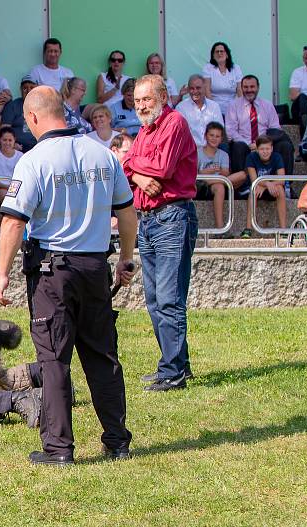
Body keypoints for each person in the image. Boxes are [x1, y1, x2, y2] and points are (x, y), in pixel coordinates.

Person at [0, 85, 138, 466]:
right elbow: (126, 212)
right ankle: (117, 441)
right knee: (103, 356)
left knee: (54, 360)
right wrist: (125, 258)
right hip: (95, 268)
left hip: (51, 272)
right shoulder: (103, 155)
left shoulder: (34, 160)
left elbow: (13, 222)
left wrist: (2, 274)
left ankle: (58, 449)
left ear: (34, 117)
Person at [122, 74, 198, 392]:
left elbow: (163, 168)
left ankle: (173, 371)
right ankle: (176, 363)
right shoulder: (145, 130)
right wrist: (138, 175)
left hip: (172, 216)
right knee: (154, 299)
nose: (140, 106)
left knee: (168, 298)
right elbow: (125, 164)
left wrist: (131, 163)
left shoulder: (174, 122)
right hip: (148, 219)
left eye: (146, 99)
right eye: (137, 101)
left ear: (163, 97)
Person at [226, 75, 295, 179]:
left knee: (285, 146)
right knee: (238, 147)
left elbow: (275, 129)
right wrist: (249, 144)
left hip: (265, 144)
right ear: (241, 88)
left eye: (252, 87)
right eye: (245, 87)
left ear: (258, 87)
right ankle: (242, 187)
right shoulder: (234, 106)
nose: (249, 90)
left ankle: (286, 184)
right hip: (245, 144)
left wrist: (262, 144)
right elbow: (230, 131)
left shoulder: (267, 105)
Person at [242, 135, 287, 237]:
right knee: (253, 190)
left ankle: (283, 229)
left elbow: (282, 179)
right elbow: (254, 179)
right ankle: (248, 228)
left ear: (272, 149)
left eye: (267, 148)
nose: (265, 151)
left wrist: (265, 185)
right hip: (258, 188)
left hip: (272, 188)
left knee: (280, 189)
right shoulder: (251, 157)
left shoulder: (277, 157)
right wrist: (266, 183)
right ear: (257, 149)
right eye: (262, 149)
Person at [195, 122, 232, 230]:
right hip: (200, 186)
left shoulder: (223, 154)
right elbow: (192, 175)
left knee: (220, 185)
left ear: (221, 139)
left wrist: (217, 171)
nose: (214, 139)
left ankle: (220, 228)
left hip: (216, 184)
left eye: (217, 136)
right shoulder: (197, 153)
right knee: (223, 182)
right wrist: (206, 172)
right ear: (205, 136)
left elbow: (225, 172)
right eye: (211, 135)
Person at [175, 74, 222, 147]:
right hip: (190, 151)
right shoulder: (181, 108)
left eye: (198, 88)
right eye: (191, 88)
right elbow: (179, 134)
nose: (195, 91)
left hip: (211, 149)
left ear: (204, 87)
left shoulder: (214, 106)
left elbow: (219, 130)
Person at [202, 42, 243, 115]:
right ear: (213, 55)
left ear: (227, 54)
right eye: (217, 52)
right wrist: (213, 109)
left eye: (222, 51)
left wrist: (241, 107)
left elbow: (239, 90)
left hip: (232, 107)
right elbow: (206, 90)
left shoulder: (236, 68)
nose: (219, 53)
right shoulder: (208, 68)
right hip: (214, 108)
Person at [0, 126, 23, 210]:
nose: (7, 143)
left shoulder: (20, 156)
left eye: (10, 140)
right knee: (8, 199)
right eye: (4, 140)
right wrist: (7, 187)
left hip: (16, 188)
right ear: (0, 139)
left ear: (14, 140)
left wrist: (13, 188)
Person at [1, 75, 38, 152]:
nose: (28, 90)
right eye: (25, 88)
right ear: (20, 89)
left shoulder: (42, 107)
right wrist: (13, 144)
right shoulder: (12, 106)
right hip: (18, 146)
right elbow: (4, 130)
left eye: (31, 88)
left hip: (37, 146)